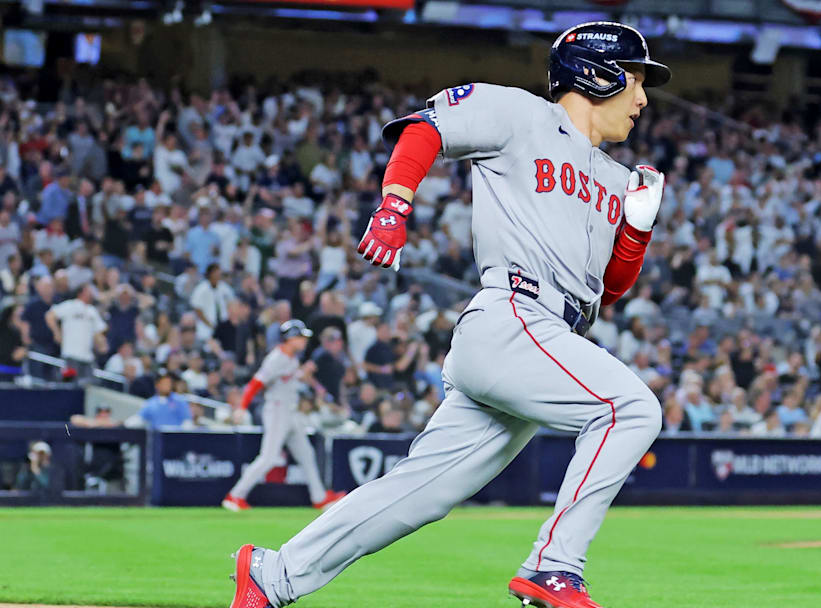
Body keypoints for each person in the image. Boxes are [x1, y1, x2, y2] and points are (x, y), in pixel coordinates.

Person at [229, 21, 670, 608]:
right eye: (636, 80)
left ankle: (275, 574)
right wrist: (395, 205)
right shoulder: (517, 113)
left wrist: (636, 231)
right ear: (599, 74)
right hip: (512, 316)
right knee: (632, 408)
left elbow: (608, 291)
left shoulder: (617, 178)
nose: (643, 100)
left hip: (546, 336)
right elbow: (423, 130)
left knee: (420, 494)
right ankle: (554, 564)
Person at [221, 320, 345, 512]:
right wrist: (242, 407)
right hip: (277, 409)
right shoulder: (276, 358)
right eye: (300, 337)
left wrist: (308, 378)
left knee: (306, 454)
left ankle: (319, 497)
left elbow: (293, 378)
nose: (304, 341)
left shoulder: (292, 358)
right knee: (269, 458)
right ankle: (235, 495)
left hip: (290, 411)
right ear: (290, 338)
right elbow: (256, 383)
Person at [45, 283, 107, 380]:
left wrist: (101, 343)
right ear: (81, 292)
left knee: (90, 387)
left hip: (88, 358)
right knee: (71, 385)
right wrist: (57, 333)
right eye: (89, 290)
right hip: (71, 355)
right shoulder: (70, 305)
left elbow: (99, 331)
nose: (91, 293)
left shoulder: (92, 311)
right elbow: (50, 315)